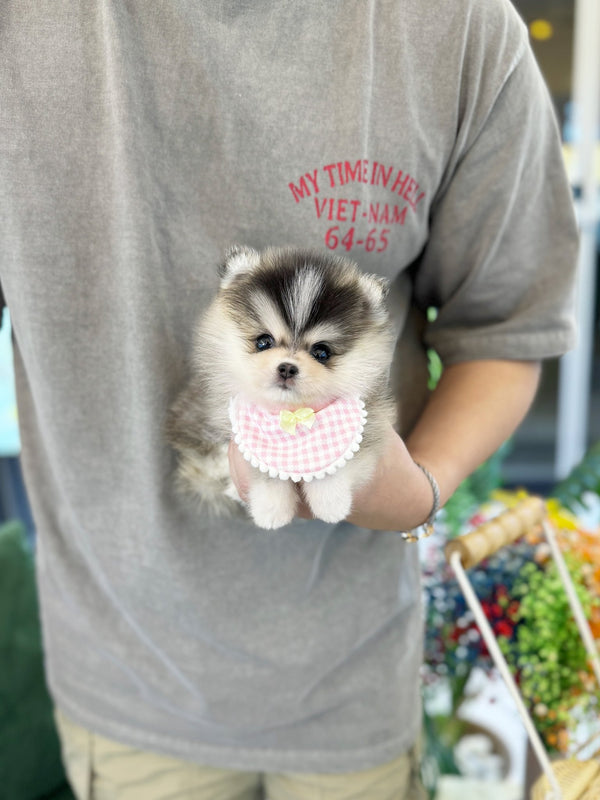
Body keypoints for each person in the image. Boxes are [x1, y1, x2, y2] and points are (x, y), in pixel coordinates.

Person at [0, 1, 577, 798]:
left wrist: (422, 487)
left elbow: (507, 335)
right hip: (127, 680)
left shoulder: (458, 28)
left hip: (354, 682)